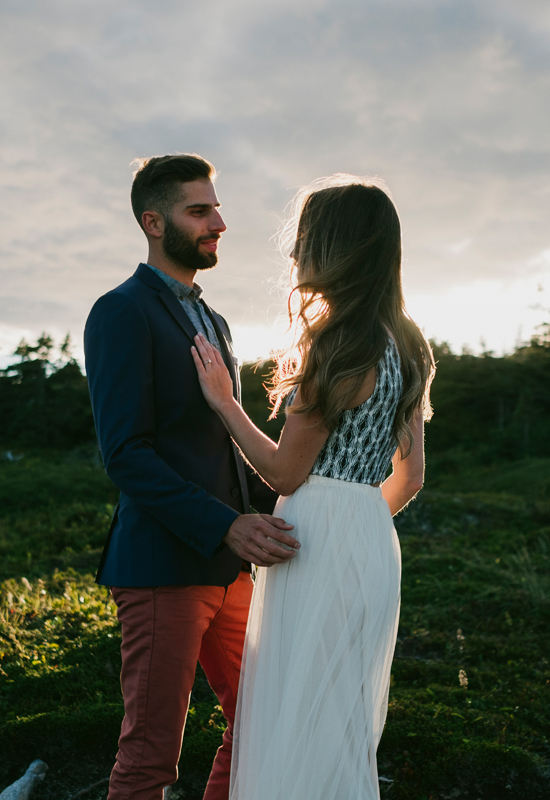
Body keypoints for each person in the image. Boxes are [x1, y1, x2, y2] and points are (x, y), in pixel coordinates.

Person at [189, 176, 435, 800]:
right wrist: (355, 522)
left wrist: (224, 403)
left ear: (335, 248)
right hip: (372, 541)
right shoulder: (409, 344)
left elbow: (283, 474)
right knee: (337, 717)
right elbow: (411, 477)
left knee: (292, 711)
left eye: (305, 240)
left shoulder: (339, 344)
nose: (295, 254)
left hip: (314, 540)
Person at [83, 153, 301, 800]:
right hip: (162, 567)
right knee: (150, 759)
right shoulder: (121, 311)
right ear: (154, 222)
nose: (219, 223)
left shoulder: (215, 320)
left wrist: (298, 503)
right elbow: (126, 454)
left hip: (231, 568)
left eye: (217, 208)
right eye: (199, 211)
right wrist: (227, 526)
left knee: (262, 722)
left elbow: (221, 445)